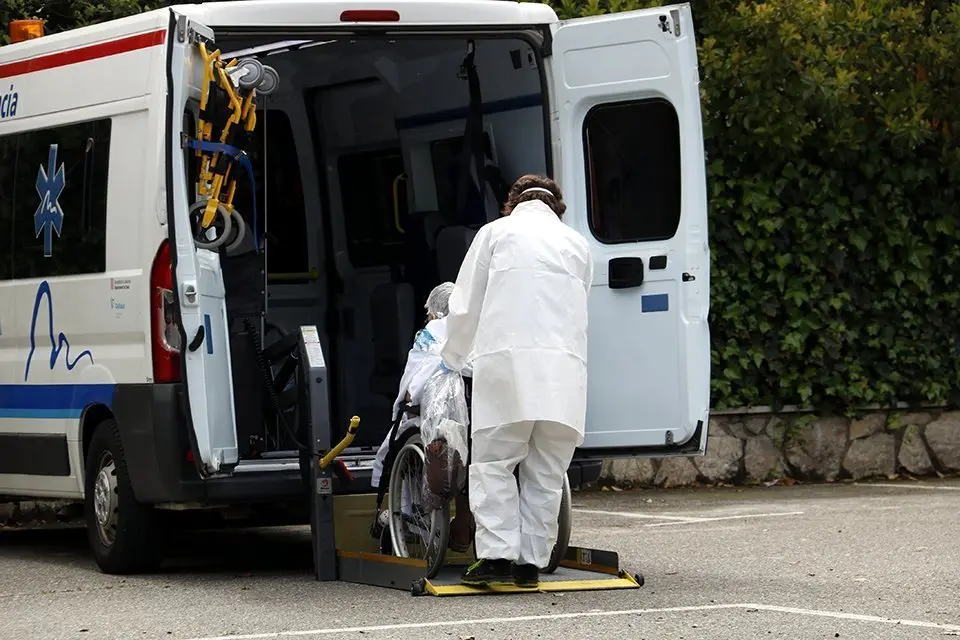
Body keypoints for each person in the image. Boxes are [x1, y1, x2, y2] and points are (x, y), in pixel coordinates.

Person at [441, 174, 593, 589]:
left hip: (508, 371)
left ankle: (495, 559)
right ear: (556, 208)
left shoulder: (496, 233)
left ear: (512, 202)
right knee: (545, 472)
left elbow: (466, 304)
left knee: (494, 464)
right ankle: (531, 564)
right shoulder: (579, 246)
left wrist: (452, 356)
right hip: (565, 377)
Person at [370, 282, 474, 551]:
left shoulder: (430, 335)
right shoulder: (479, 331)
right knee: (471, 457)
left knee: (399, 442)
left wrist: (405, 401)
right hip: (479, 424)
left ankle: (408, 513)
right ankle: (464, 526)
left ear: (435, 312)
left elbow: (413, 387)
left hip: (439, 425)